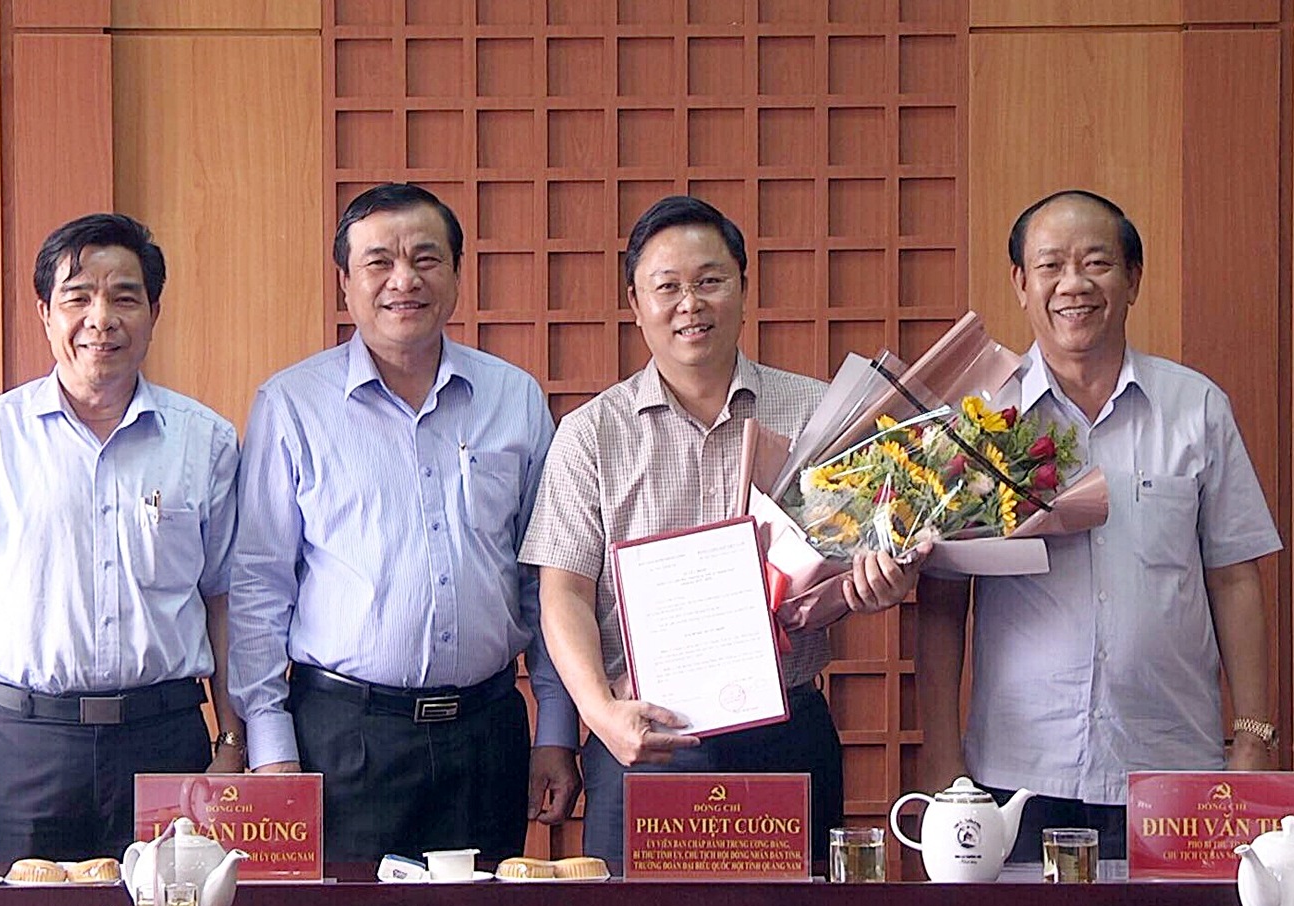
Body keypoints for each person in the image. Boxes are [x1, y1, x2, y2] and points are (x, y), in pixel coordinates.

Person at [519, 195, 922, 866]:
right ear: (634, 301)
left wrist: (880, 579)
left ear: (743, 286)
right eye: (667, 287)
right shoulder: (590, 433)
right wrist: (598, 712)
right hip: (642, 734)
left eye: (710, 280)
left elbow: (857, 552)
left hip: (784, 731)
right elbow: (562, 593)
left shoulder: (817, 412)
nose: (690, 304)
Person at [916, 189, 1282, 860]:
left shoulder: (1196, 408)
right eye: (1050, 265)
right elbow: (941, 599)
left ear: (1132, 279)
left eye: (1096, 263)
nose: (1073, 284)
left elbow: (1234, 578)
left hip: (1172, 766)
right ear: (1021, 284)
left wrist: (1254, 737)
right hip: (1017, 771)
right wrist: (942, 757)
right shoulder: (977, 420)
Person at [228, 182, 580, 863]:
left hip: (486, 732)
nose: (404, 280)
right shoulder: (292, 405)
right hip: (343, 738)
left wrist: (556, 729)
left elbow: (545, 580)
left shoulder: (513, 397)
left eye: (425, 258)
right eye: (379, 262)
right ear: (345, 281)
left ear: (456, 273)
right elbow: (259, 585)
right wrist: (270, 747)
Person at [0, 213, 243, 866]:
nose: (101, 318)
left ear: (154, 312)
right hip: (23, 746)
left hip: (166, 741)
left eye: (124, 297)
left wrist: (232, 743)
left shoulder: (206, 442)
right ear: (45, 313)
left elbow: (227, 604)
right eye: (78, 297)